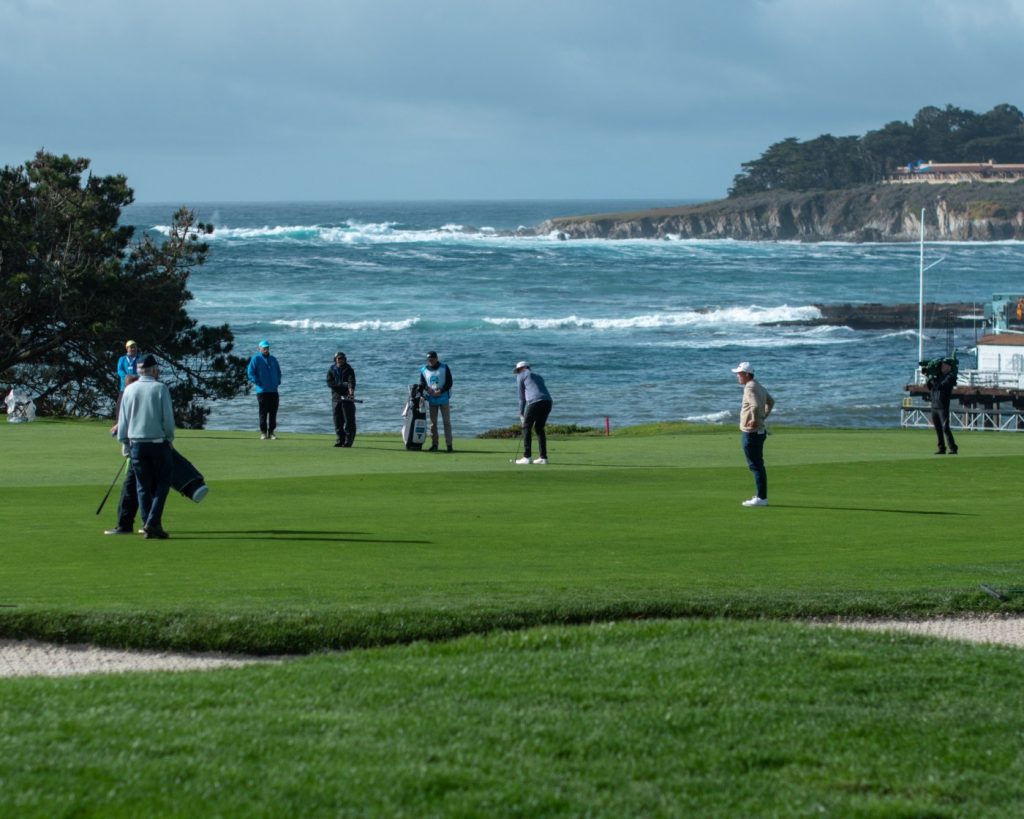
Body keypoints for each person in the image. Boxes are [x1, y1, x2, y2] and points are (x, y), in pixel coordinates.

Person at [117, 355, 176, 539]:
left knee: (142, 486)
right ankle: (152, 522)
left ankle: (147, 523)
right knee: (163, 482)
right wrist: (169, 438)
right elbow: (168, 419)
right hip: (158, 442)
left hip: (136, 443)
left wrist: (124, 442)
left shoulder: (129, 389)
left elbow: (123, 419)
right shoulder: (160, 388)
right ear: (153, 369)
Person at [732, 361, 774, 507]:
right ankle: (762, 496)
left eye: (739, 373)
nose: (737, 376)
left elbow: (756, 405)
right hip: (760, 431)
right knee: (758, 465)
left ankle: (761, 498)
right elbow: (771, 401)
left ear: (747, 374)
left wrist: (755, 420)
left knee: (755, 466)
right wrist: (763, 417)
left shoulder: (750, 388)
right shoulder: (758, 385)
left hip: (752, 432)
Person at [104, 374, 141, 535]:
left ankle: (127, 524)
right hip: (136, 449)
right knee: (140, 486)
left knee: (134, 486)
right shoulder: (127, 398)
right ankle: (147, 522)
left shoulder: (131, 397)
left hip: (137, 449)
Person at [513, 361, 553, 465]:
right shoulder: (539, 376)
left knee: (526, 427)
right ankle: (543, 458)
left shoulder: (521, 376)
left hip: (535, 402)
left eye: (518, 370)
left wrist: (521, 412)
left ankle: (527, 457)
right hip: (548, 402)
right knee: (539, 428)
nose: (518, 372)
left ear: (524, 368)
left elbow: (522, 398)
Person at [247, 340, 282, 440]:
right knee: (263, 412)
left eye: (267, 348)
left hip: (273, 391)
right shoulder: (256, 359)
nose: (266, 350)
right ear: (260, 349)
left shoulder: (273, 359)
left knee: (273, 412)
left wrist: (277, 381)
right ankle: (263, 432)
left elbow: (279, 371)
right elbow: (250, 372)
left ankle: (271, 432)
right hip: (262, 391)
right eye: (264, 348)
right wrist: (257, 382)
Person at [419, 351, 454, 452]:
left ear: (436, 358)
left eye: (432, 359)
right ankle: (434, 444)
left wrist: (441, 391)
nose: (430, 361)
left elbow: (449, 383)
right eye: (429, 360)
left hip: (444, 399)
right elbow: (421, 383)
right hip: (432, 399)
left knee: (446, 422)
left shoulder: (444, 367)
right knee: (433, 424)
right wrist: (427, 389)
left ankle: (449, 445)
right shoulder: (424, 370)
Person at [927, 359, 958, 455]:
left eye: (944, 365)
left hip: (943, 407)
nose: (942, 367)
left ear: (949, 367)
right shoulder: (938, 377)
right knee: (938, 428)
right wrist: (929, 377)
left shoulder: (950, 376)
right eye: (941, 365)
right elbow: (930, 386)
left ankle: (953, 448)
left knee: (945, 427)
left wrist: (934, 380)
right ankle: (941, 448)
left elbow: (942, 385)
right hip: (934, 406)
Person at [326, 352, 357, 447]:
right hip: (336, 398)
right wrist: (341, 384)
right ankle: (340, 439)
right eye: (338, 359)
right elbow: (330, 383)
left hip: (347, 398)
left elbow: (351, 382)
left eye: (342, 358)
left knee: (349, 420)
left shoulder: (349, 369)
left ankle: (348, 441)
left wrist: (350, 391)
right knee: (337, 421)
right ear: (335, 359)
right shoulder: (331, 370)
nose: (340, 360)